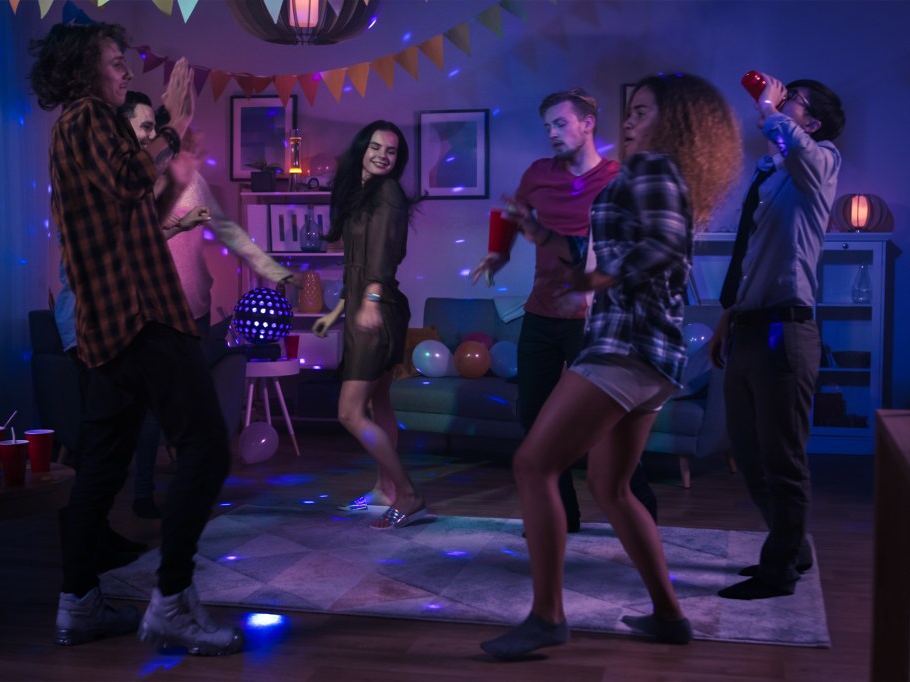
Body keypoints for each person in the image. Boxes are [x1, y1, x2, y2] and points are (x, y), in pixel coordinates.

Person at [480, 73, 742, 659]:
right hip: (653, 357)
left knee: (533, 464)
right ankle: (670, 616)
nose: (630, 121)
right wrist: (543, 236)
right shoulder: (655, 177)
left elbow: (661, 248)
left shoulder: (653, 168)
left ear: (675, 123)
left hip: (625, 346)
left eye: (643, 112)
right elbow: (603, 249)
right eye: (631, 111)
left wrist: (597, 279)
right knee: (610, 486)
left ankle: (547, 617)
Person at [29, 22, 244, 655]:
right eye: (115, 61)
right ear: (84, 69)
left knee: (101, 464)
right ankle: (171, 602)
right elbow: (130, 181)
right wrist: (171, 124)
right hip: (140, 315)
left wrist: (176, 167)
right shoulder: (88, 118)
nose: (126, 72)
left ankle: (77, 606)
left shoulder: (79, 129)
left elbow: (134, 210)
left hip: (109, 325)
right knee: (206, 448)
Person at [471, 88, 657, 530]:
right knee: (534, 420)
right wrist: (498, 253)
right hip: (541, 315)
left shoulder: (616, 178)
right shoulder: (539, 174)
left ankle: (644, 520)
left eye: (560, 123)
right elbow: (512, 213)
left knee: (609, 425)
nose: (552, 133)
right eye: (547, 127)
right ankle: (562, 517)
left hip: (593, 323)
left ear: (587, 124)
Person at [128, 97, 301, 519]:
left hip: (197, 310)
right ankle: (143, 494)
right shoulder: (133, 181)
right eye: (156, 131)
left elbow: (228, 231)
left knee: (196, 401)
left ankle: (191, 491)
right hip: (156, 312)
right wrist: (176, 224)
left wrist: (272, 269)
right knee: (153, 409)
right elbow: (134, 242)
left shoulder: (194, 180)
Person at [710, 73, 844, 601]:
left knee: (783, 459)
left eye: (795, 101)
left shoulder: (822, 163)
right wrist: (727, 317)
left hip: (785, 331)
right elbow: (747, 256)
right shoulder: (768, 175)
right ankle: (793, 546)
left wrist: (770, 108)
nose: (783, 102)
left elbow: (800, 151)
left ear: (813, 123)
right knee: (747, 453)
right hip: (747, 327)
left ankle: (780, 570)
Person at [311, 120, 431, 530]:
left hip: (379, 307)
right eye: (376, 147)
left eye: (391, 151)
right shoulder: (359, 194)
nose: (383, 155)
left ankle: (409, 494)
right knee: (379, 403)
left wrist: (372, 300)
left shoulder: (387, 192)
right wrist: (338, 310)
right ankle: (385, 490)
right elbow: (355, 263)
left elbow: (384, 253)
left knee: (349, 412)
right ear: (362, 148)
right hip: (365, 304)